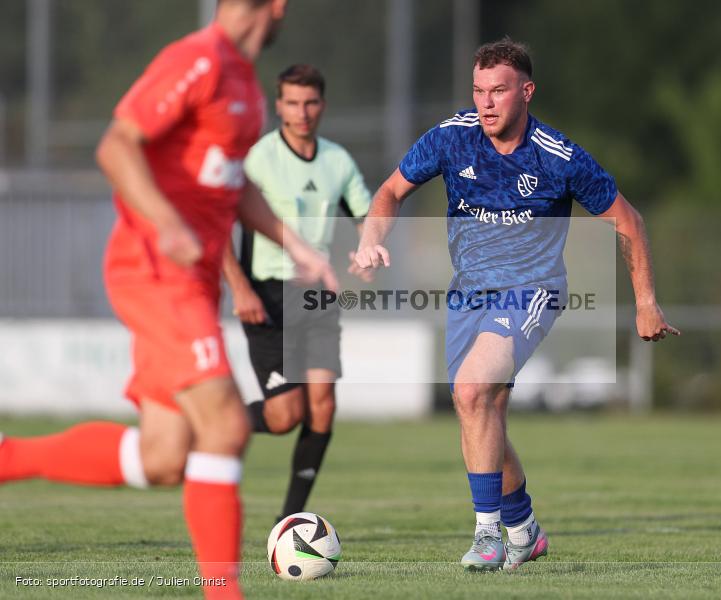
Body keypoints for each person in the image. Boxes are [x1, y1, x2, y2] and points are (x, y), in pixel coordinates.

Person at [0, 2, 336, 598]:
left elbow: (233, 187)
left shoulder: (245, 83)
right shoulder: (198, 59)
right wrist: (168, 225)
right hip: (156, 272)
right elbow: (116, 145)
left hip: (193, 284)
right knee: (227, 427)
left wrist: (299, 249)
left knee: (163, 456)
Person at [355, 38, 680, 571]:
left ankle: (489, 536)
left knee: (472, 389)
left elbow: (629, 221)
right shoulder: (451, 139)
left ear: (526, 92)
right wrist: (372, 238)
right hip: (467, 294)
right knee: (479, 410)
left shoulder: (559, 158)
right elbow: (390, 191)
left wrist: (646, 302)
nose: (485, 103)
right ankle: (524, 528)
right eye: (478, 91)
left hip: (533, 291)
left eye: (498, 91)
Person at [221, 64, 372, 522]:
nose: (301, 112)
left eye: (310, 102)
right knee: (285, 415)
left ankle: (290, 523)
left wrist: (368, 250)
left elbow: (367, 216)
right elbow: (218, 228)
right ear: (278, 105)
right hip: (266, 294)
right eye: (292, 102)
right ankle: (213, 422)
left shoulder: (338, 161)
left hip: (317, 296)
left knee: (322, 407)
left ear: (321, 105)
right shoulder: (258, 158)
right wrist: (239, 286)